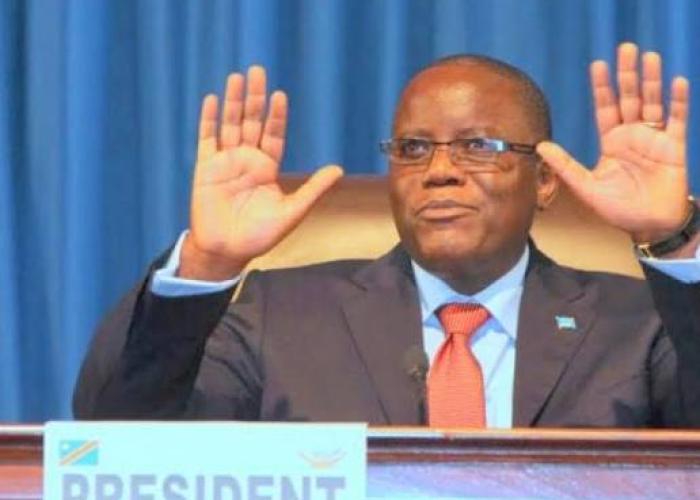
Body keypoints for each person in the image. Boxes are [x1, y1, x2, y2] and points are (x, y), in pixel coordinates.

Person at [73, 42, 700, 428]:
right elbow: (116, 428)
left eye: (478, 146)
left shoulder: (640, 322)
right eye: (414, 148)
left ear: (544, 181)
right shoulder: (277, 314)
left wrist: (675, 241)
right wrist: (207, 263)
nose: (440, 171)